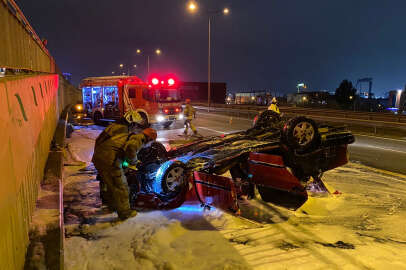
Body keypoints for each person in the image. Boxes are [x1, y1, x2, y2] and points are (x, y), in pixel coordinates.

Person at [92, 110, 157, 220]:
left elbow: (102, 141)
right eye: (137, 125)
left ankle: (112, 206)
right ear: (132, 123)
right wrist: (134, 163)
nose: (137, 128)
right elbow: (131, 149)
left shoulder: (114, 127)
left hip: (99, 158)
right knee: (121, 186)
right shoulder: (135, 136)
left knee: (109, 184)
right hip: (109, 161)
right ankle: (125, 213)